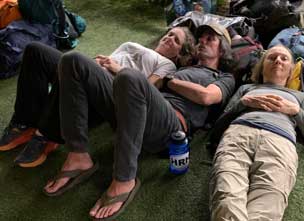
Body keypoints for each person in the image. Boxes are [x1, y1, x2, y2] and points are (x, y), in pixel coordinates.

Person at [42, 23, 235, 220]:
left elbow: (206, 97)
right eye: (201, 38)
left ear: (223, 49)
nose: (202, 41)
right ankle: (78, 156)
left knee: (129, 76)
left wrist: (169, 81)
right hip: (133, 111)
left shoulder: (224, 77)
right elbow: (150, 82)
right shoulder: (181, 66)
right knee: (73, 60)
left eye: (210, 38)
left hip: (168, 127)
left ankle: (125, 179)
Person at [0, 26, 196, 168]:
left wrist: (116, 68)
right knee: (36, 50)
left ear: (180, 54)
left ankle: (46, 135)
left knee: (74, 65)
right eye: (170, 33)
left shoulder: (167, 65)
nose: (169, 38)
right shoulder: (133, 44)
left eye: (176, 40)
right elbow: (107, 59)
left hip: (114, 89)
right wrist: (95, 64)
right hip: (95, 73)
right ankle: (25, 122)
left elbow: (146, 89)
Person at [209, 45, 304, 221]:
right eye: (272, 57)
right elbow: (217, 129)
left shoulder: (299, 97)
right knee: (226, 198)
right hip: (239, 134)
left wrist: (295, 111)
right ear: (262, 67)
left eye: (284, 58)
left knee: (269, 204)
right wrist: (243, 104)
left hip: (279, 141)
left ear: (290, 71)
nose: (278, 60)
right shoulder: (247, 88)